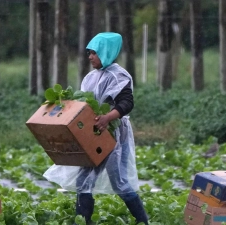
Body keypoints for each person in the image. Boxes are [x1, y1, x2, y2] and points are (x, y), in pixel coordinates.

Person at [44, 32, 148, 225]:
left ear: (106, 52)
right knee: (84, 180)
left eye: (94, 53)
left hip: (113, 135)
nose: (90, 57)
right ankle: (83, 221)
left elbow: (126, 103)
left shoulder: (119, 76)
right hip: (93, 134)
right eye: (89, 53)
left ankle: (143, 221)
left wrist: (108, 117)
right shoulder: (91, 77)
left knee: (119, 182)